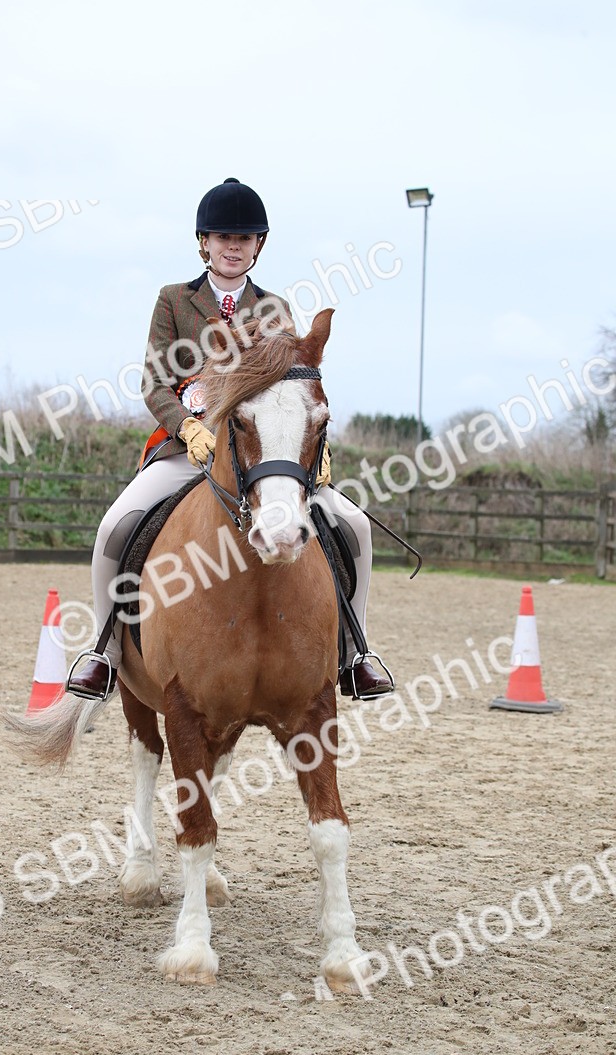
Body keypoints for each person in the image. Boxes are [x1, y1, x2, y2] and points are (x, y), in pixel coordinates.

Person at [68, 178, 393, 702]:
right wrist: (189, 427)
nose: (233, 245)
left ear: (258, 245)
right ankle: (104, 653)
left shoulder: (275, 309)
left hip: (261, 457)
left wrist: (320, 452)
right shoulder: (174, 300)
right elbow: (153, 382)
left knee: (353, 524)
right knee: (114, 526)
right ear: (204, 243)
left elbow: (295, 388)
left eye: (244, 237)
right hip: (188, 451)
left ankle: (354, 653)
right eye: (223, 236)